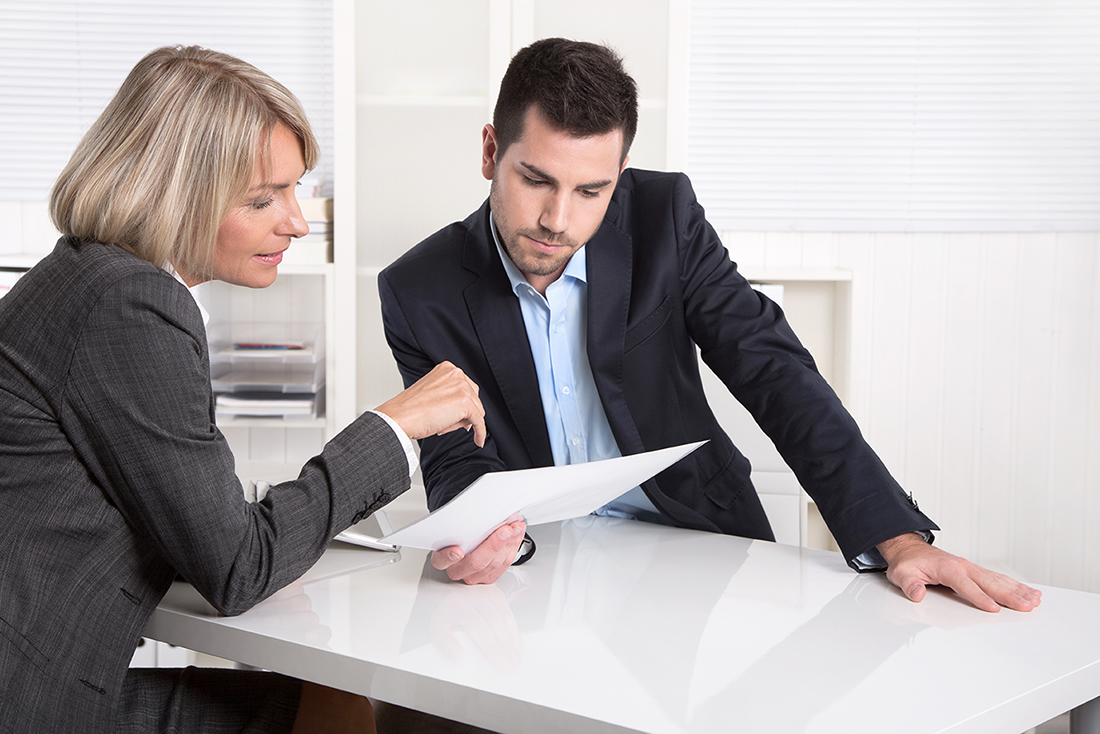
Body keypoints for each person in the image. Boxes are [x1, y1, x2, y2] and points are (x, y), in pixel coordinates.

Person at [378, 38, 1042, 613]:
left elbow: (771, 368)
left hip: (694, 538)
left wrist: (893, 535)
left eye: (591, 191)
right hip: (534, 564)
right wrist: (488, 535)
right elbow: (455, 450)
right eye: (536, 180)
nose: (559, 219)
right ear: (492, 151)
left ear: (620, 178)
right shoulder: (418, 289)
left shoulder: (663, 217)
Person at [0, 46, 485, 734]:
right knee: (334, 712)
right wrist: (394, 428)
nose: (295, 220)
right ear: (176, 193)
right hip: (35, 703)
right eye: (263, 199)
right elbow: (236, 567)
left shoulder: (80, 278)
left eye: (295, 189)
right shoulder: (129, 305)